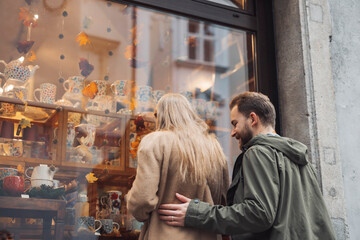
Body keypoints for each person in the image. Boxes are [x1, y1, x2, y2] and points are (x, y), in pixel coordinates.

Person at [158, 91, 336, 240]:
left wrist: (197, 213)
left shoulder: (257, 152)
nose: (233, 132)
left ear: (253, 119)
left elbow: (258, 214)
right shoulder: (300, 159)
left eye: (235, 123)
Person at [126, 93, 229, 240]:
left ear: (159, 115)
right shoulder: (214, 147)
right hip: (207, 234)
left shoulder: (155, 142)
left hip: (164, 234)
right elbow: (222, 201)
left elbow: (142, 200)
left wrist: (137, 211)